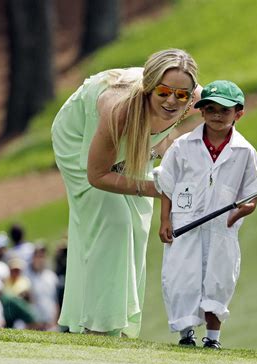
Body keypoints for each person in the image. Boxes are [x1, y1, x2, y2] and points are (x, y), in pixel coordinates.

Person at [51, 48, 201, 336]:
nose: (172, 101)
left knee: (136, 226)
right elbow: (97, 175)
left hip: (133, 141)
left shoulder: (197, 99)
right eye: (163, 92)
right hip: (78, 135)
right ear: (149, 88)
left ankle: (120, 327)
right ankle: (99, 327)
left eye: (181, 95)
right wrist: (158, 189)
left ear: (191, 93)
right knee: (115, 222)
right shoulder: (118, 110)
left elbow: (230, 112)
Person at [154, 80, 257, 349]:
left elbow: (254, 188)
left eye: (224, 110)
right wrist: (165, 220)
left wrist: (246, 209)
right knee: (182, 279)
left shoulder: (245, 151)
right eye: (211, 109)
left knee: (218, 280)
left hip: (221, 228)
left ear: (238, 114)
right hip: (186, 223)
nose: (217, 115)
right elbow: (167, 184)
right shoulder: (182, 146)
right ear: (201, 111)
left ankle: (213, 339)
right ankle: (186, 334)